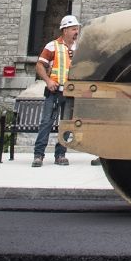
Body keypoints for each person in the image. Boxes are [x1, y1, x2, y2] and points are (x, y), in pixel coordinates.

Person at [33, 14, 80, 166]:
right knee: (46, 122)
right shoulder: (52, 46)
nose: (76, 32)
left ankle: (60, 155)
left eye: (77, 29)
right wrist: (48, 81)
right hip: (54, 91)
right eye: (73, 29)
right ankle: (38, 155)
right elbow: (40, 65)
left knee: (66, 124)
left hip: (70, 93)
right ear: (65, 30)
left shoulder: (78, 48)